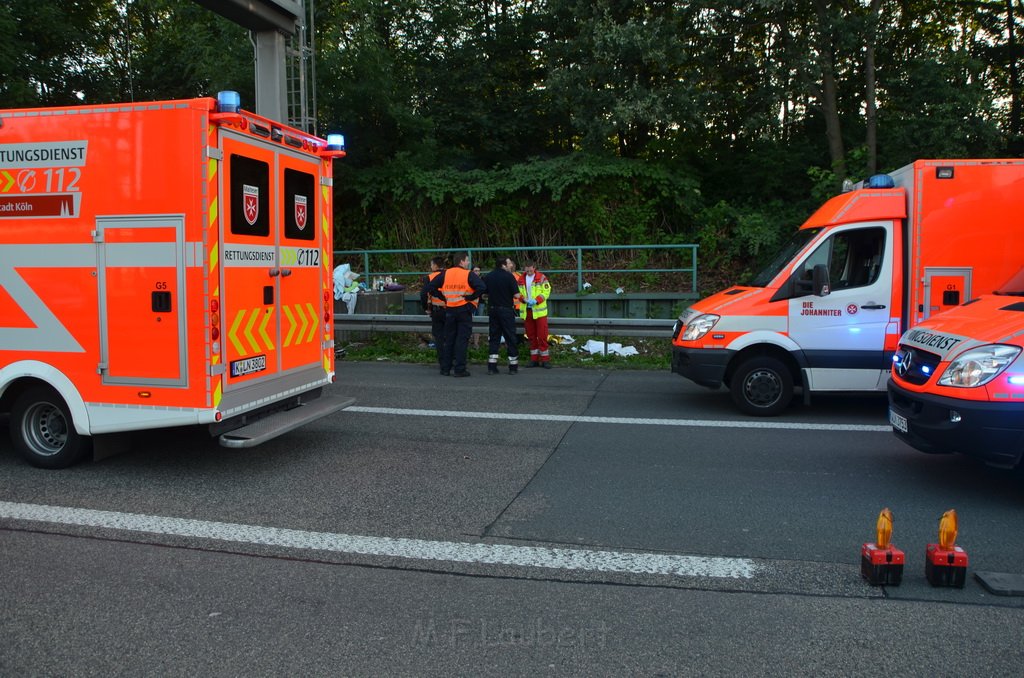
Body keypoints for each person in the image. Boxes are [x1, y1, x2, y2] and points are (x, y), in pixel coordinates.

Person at [426, 251, 486, 377]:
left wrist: (443, 297)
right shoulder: (467, 274)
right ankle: (459, 369)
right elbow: (481, 287)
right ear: (462, 261)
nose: (468, 263)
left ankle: (445, 369)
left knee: (449, 340)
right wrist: (471, 298)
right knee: (462, 340)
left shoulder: (446, 273)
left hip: (450, 310)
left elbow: (430, 287)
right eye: (467, 260)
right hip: (464, 310)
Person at [482, 256, 521, 374]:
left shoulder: (489, 276)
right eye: (509, 264)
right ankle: (513, 367)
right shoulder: (509, 276)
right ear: (503, 265)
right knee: (510, 337)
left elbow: (484, 294)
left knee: (494, 337)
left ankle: (492, 367)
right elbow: (517, 295)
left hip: (493, 310)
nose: (511, 266)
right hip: (506, 310)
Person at [516, 259, 552, 368]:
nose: (528, 271)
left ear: (534, 267)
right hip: (527, 311)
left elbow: (546, 291)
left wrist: (536, 300)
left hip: (539, 312)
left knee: (542, 336)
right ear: (524, 268)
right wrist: (524, 300)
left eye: (530, 269)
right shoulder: (521, 279)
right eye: (526, 269)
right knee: (531, 336)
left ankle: (545, 360)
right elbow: (517, 293)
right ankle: (534, 359)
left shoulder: (541, 277)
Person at [419, 256, 446, 369]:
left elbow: (423, 294)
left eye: (431, 265)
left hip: (437, 310)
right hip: (451, 309)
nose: (430, 267)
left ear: (435, 265)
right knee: (450, 336)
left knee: (439, 337)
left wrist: (426, 308)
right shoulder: (449, 275)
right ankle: (453, 359)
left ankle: (443, 362)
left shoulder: (429, 277)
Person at [470, 264, 483, 348]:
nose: (477, 272)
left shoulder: (482, 280)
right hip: (471, 303)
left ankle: (476, 343)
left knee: (479, 322)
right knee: (470, 321)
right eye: (475, 271)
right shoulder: (469, 280)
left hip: (480, 303)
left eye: (478, 271)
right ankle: (469, 340)